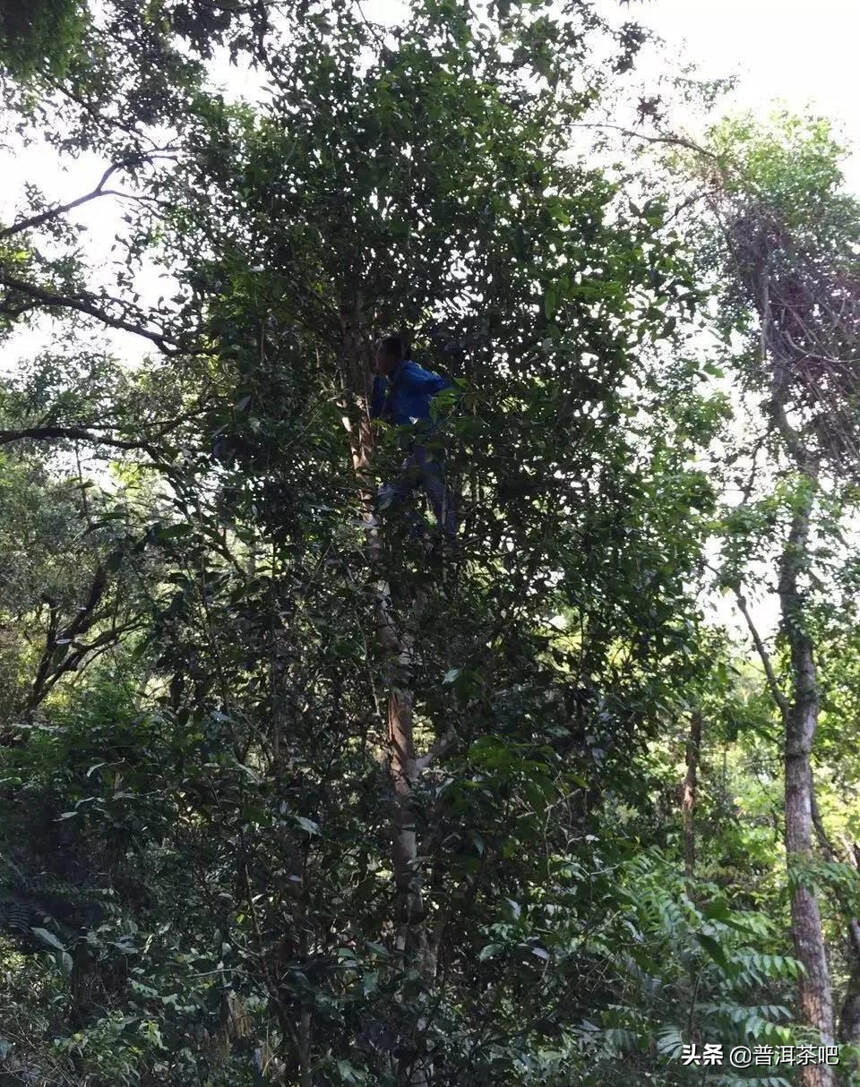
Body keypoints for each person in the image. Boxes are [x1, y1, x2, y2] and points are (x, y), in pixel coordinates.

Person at [370, 335, 457, 538]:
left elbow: (439, 385)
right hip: (415, 448)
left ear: (393, 356)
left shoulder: (408, 373)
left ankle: (449, 541)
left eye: (380, 353)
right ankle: (425, 535)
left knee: (436, 492)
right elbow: (379, 412)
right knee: (390, 495)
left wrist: (437, 423)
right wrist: (377, 383)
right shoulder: (393, 381)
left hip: (427, 442)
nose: (377, 358)